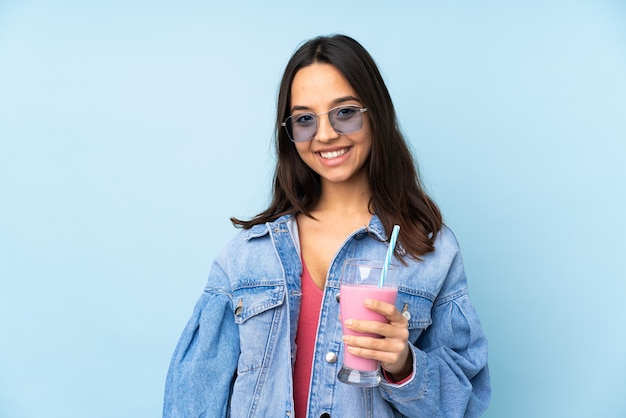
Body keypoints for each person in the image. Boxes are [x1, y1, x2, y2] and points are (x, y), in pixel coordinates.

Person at [163, 34, 490, 417]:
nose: (325, 134)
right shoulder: (247, 256)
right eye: (304, 119)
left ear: (376, 114)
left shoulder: (430, 252)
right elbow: (194, 401)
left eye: (345, 112)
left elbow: (465, 404)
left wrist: (404, 365)